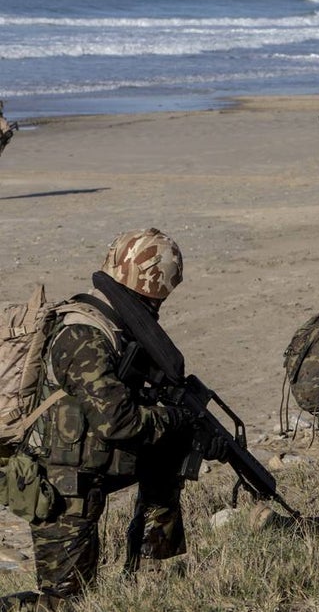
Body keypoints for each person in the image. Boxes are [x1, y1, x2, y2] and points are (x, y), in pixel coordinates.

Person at [2, 229, 198, 610]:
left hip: (85, 471)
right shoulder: (84, 334)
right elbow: (118, 423)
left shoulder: (111, 323)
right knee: (65, 602)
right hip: (58, 488)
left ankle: (152, 568)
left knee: (169, 451)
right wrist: (173, 417)